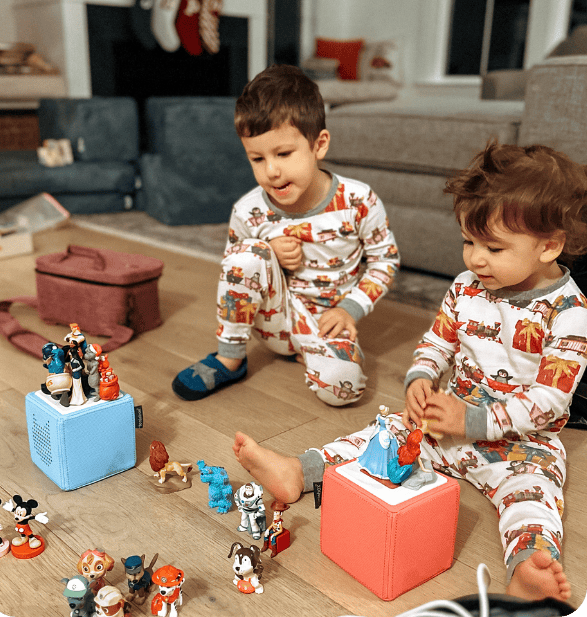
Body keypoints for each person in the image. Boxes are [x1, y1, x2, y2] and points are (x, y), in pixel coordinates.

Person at [233, 141, 587, 603]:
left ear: (550, 245)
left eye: (493, 247)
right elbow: (437, 343)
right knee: (377, 439)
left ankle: (526, 571)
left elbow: (550, 401)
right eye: (468, 242)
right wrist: (420, 379)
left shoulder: (570, 311)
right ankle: (301, 471)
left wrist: (474, 421)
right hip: (444, 429)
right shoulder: (466, 287)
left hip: (523, 444)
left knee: (534, 499)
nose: (475, 259)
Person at [172, 64, 400, 406]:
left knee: (346, 390)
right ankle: (230, 358)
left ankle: (315, 354)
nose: (272, 171)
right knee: (247, 254)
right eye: (257, 158)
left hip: (329, 324)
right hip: (272, 321)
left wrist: (350, 311)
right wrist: (267, 251)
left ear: (318, 145)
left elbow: (386, 260)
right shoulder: (248, 210)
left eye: (283, 154)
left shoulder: (358, 200)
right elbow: (235, 274)